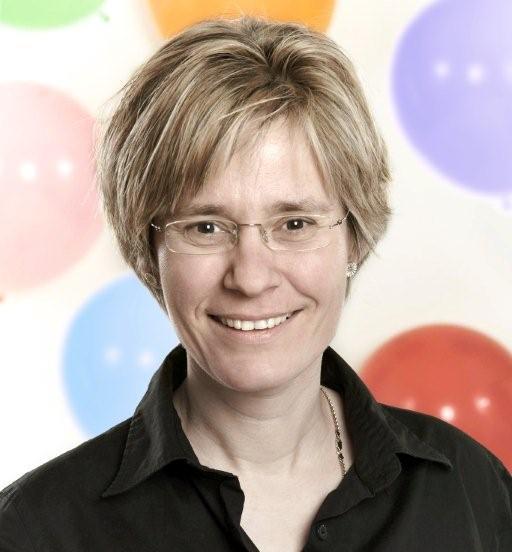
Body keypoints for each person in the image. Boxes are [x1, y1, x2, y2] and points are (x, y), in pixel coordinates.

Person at [1, 15, 511, 552]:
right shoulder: (35, 532)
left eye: (295, 224)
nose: (250, 277)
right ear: (149, 250)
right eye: (205, 227)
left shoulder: (472, 493)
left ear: (355, 239)